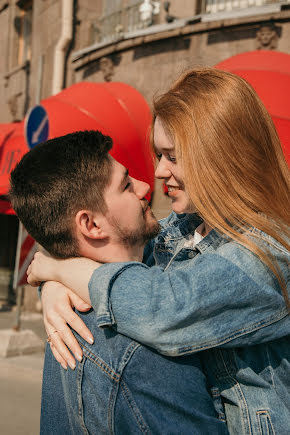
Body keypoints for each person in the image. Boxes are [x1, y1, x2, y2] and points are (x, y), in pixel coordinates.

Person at [26, 67, 290, 434]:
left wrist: (61, 273)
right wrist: (54, 279)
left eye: (173, 155)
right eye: (158, 154)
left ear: (221, 155)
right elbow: (107, 247)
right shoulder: (181, 231)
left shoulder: (271, 253)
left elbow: (166, 309)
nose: (158, 172)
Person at [9, 130, 228, 434]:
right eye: (126, 186)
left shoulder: (66, 317)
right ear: (91, 224)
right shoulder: (145, 348)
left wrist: (54, 273)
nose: (145, 186)